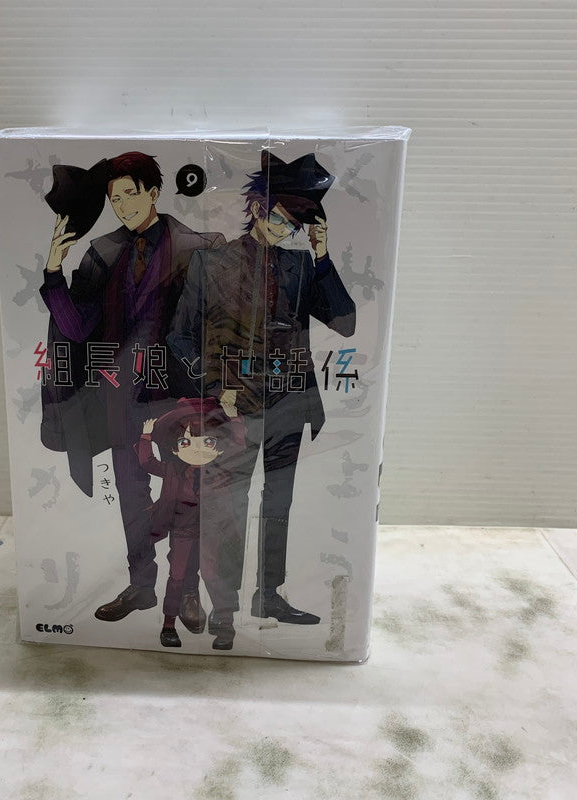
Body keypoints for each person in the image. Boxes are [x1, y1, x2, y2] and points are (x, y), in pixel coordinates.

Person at [168, 151, 356, 627]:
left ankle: (268, 594)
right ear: (256, 207)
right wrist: (216, 386)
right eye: (279, 216)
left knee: (278, 502)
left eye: (293, 223)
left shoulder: (299, 265)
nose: (284, 228)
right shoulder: (211, 262)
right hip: (232, 407)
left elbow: (345, 322)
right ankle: (224, 603)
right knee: (228, 505)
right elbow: (179, 336)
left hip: (289, 402)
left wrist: (322, 255)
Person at [39, 152, 225, 626]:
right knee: (131, 494)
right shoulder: (102, 252)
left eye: (129, 194)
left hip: (179, 394)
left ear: (153, 192)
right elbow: (75, 328)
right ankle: (142, 586)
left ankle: (186, 592)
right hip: (121, 394)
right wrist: (54, 272)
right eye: (114, 198)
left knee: (188, 496)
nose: (121, 205)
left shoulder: (199, 247)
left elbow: (216, 328)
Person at [136, 397, 246, 650]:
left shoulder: (221, 471)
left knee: (213, 575)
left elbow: (238, 450)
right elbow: (147, 463)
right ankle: (168, 625)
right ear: (175, 448)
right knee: (176, 576)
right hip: (182, 530)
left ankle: (226, 625)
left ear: (219, 447)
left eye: (208, 442)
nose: (197, 449)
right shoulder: (173, 470)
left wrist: (235, 420)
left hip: (212, 530)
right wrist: (146, 437)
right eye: (185, 442)